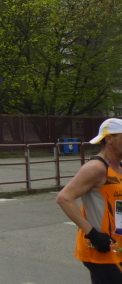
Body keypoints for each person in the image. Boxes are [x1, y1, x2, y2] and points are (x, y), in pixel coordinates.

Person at [57, 118, 122, 282]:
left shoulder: (119, 167)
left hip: (117, 246)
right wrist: (93, 235)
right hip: (100, 247)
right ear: (109, 139)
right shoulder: (96, 168)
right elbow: (64, 198)